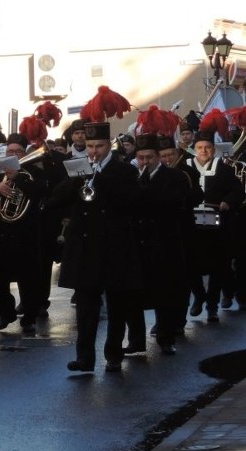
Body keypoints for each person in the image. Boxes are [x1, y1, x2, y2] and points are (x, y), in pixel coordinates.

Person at [46, 87, 141, 373]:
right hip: (85, 248)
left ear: (109, 144)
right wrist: (77, 179)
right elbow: (57, 199)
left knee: (116, 306)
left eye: (98, 147)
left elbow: (131, 202)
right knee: (86, 309)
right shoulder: (78, 168)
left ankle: (113, 353)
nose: (93, 152)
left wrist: (99, 179)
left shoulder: (125, 170)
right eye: (89, 147)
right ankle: (84, 357)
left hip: (114, 247)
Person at [122, 133, 189, 356]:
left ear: (158, 157)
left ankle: (166, 337)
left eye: (149, 157)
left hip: (164, 244)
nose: (145, 162)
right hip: (137, 246)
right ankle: (136, 340)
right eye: (141, 158)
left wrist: (145, 190)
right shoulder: (133, 178)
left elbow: (174, 205)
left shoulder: (175, 177)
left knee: (164, 294)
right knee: (133, 295)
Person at [185, 120, 244, 322]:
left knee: (218, 266)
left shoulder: (223, 168)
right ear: (194, 148)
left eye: (208, 147)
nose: (204, 151)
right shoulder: (186, 167)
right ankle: (199, 296)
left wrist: (228, 201)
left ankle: (212, 305)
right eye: (200, 147)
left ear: (214, 148)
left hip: (217, 227)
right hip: (191, 227)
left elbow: (238, 190)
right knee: (191, 265)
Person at [0, 133, 46, 334]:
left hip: (25, 233)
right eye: (10, 151)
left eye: (18, 151)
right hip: (0, 233)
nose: (13, 154)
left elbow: (40, 191)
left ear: (24, 153)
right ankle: (5, 314)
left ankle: (29, 316)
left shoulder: (32, 172)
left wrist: (18, 178)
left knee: (28, 277)